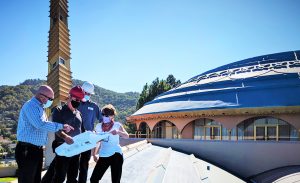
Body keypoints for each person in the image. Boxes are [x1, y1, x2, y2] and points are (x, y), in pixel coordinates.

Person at [15, 85, 74, 183]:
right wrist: (61, 126)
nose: (50, 101)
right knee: (27, 180)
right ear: (42, 96)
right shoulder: (31, 106)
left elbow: (45, 125)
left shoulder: (40, 108)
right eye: (50, 98)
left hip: (35, 150)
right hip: (27, 150)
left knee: (35, 180)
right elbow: (40, 124)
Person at [41, 85, 85, 183]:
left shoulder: (79, 114)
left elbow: (82, 131)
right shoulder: (59, 110)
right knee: (59, 177)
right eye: (75, 99)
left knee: (73, 178)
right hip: (62, 148)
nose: (77, 102)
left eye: (79, 100)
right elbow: (57, 129)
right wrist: (65, 137)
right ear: (69, 96)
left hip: (76, 150)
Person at [90, 104, 129, 183]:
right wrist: (94, 154)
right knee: (93, 179)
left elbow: (127, 136)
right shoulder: (98, 126)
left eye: (107, 115)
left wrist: (118, 132)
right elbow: (97, 141)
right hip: (103, 155)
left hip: (116, 155)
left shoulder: (117, 125)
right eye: (103, 114)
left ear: (112, 116)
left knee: (115, 180)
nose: (104, 117)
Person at [77, 81, 102, 183]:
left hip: (87, 139)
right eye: (86, 93)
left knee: (84, 164)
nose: (88, 95)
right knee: (73, 164)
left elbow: (102, 120)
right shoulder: (75, 103)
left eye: (89, 94)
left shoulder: (94, 106)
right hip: (75, 138)